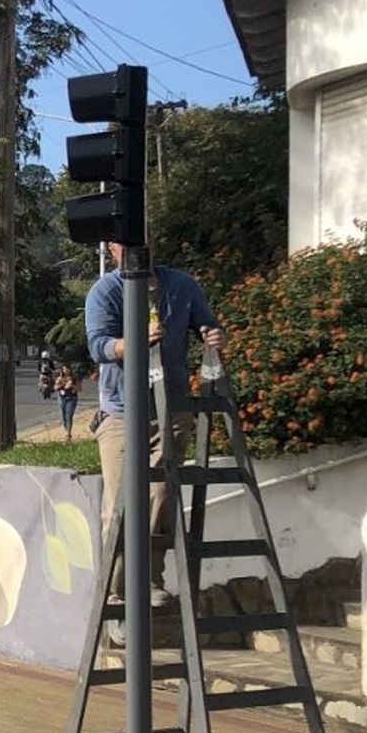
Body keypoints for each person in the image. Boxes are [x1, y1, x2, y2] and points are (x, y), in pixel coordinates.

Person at [86, 241, 224, 611]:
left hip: (171, 408)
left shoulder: (181, 284)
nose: (132, 249)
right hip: (120, 412)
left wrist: (212, 335)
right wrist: (128, 344)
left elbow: (207, 324)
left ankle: (148, 581)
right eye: (122, 244)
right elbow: (98, 345)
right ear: (111, 250)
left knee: (161, 496)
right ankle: (117, 596)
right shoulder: (105, 291)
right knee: (120, 504)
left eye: (139, 242)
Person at [54, 362, 80, 441]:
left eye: (67, 369)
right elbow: (55, 388)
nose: (66, 370)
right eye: (64, 369)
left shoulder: (74, 378)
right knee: (63, 415)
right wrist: (60, 384)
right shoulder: (59, 377)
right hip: (61, 398)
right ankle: (66, 430)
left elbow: (80, 388)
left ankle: (68, 433)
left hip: (71, 398)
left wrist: (72, 385)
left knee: (69, 416)